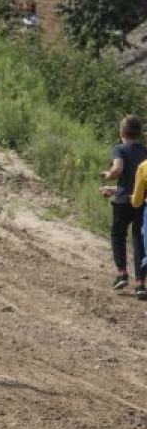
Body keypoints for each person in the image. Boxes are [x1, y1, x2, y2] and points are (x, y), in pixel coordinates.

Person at [98, 115, 147, 299]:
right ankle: (141, 284)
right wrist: (113, 188)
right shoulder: (145, 151)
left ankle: (121, 273)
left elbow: (118, 170)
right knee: (138, 239)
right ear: (139, 132)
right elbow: (138, 181)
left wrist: (108, 175)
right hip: (141, 200)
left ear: (122, 132)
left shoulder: (119, 149)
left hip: (122, 202)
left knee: (117, 233)